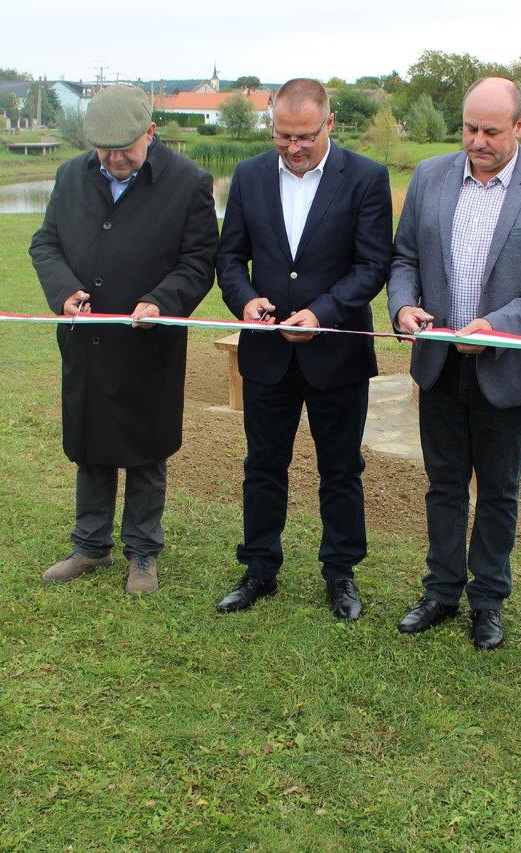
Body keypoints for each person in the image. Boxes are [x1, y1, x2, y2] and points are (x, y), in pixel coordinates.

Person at [387, 78, 521, 649]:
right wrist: (403, 305)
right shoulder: (430, 177)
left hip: (507, 369)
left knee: (499, 489)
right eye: (469, 128)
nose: (477, 140)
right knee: (444, 485)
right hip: (439, 365)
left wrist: (499, 325)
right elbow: (405, 258)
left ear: (520, 127)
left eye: (491, 131)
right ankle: (441, 591)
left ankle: (488, 600)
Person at [214, 78, 392, 620]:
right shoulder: (248, 176)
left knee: (341, 468)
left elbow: (372, 266)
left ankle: (340, 572)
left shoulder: (365, 177)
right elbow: (229, 258)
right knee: (263, 465)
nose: (293, 147)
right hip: (267, 355)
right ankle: (259, 568)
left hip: (336, 354)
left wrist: (322, 314)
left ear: (329, 124)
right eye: (283, 136)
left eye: (305, 137)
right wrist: (245, 300)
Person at [30, 85, 218, 595]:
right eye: (104, 149)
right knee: (90, 444)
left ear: (150, 133)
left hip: (148, 345)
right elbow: (46, 243)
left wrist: (162, 300)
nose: (114, 159)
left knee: (145, 448)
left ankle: (143, 551)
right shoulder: (71, 175)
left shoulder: (188, 183)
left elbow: (199, 261)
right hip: (86, 341)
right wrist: (64, 291)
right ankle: (89, 545)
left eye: (125, 149)